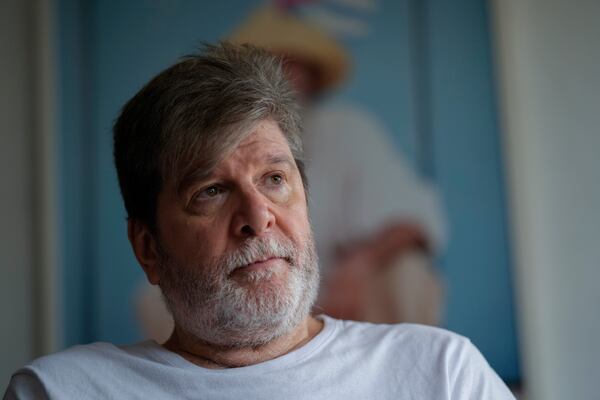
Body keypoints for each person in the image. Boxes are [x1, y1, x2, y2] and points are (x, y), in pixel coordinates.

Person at [4, 43, 514, 399]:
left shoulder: (442, 374)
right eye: (211, 191)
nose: (257, 218)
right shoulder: (60, 391)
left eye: (273, 179)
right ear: (148, 248)